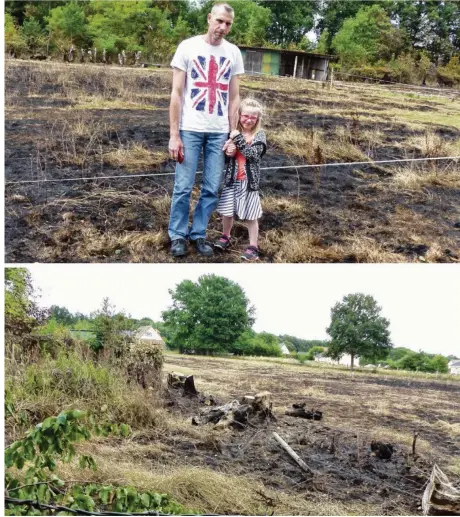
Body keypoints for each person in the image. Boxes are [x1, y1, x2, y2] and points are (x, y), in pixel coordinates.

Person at [168, 3, 244, 257]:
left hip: (218, 132)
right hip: (190, 128)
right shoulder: (187, 47)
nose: (223, 28)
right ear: (209, 18)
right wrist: (174, 135)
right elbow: (177, 93)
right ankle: (178, 235)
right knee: (183, 186)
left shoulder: (233, 53)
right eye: (219, 21)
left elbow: (234, 98)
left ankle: (198, 233)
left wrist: (233, 133)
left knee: (212, 187)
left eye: (228, 24)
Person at [214, 98, 266, 261]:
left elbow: (252, 154)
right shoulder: (232, 134)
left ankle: (253, 247)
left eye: (253, 117)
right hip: (232, 180)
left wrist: (236, 139)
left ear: (258, 119)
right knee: (227, 212)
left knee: (252, 215)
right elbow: (228, 156)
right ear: (239, 115)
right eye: (245, 116)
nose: (249, 120)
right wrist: (228, 152)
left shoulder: (259, 135)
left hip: (249, 183)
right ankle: (225, 236)